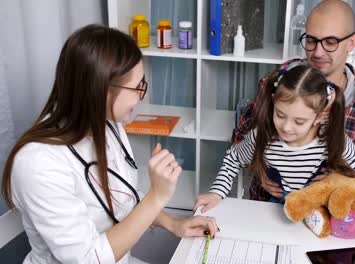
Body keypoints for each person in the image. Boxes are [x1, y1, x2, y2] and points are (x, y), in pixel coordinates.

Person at [1, 24, 217, 264]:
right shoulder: (38, 164)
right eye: (137, 88)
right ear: (101, 90)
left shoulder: (107, 124)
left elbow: (125, 196)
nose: (141, 96)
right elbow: (88, 259)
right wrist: (157, 196)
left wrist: (175, 224)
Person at [232, 0, 355, 201]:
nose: (317, 52)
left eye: (330, 42)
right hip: (267, 207)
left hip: (328, 217)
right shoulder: (278, 82)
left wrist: (330, 186)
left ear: (352, 43)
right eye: (311, 40)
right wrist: (260, 171)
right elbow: (240, 140)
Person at [194, 63, 355, 212]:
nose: (286, 127)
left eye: (299, 121)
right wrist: (216, 193)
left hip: (317, 213)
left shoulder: (332, 140)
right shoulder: (263, 136)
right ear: (273, 101)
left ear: (320, 117)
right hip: (273, 213)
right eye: (280, 114)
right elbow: (234, 158)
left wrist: (335, 183)